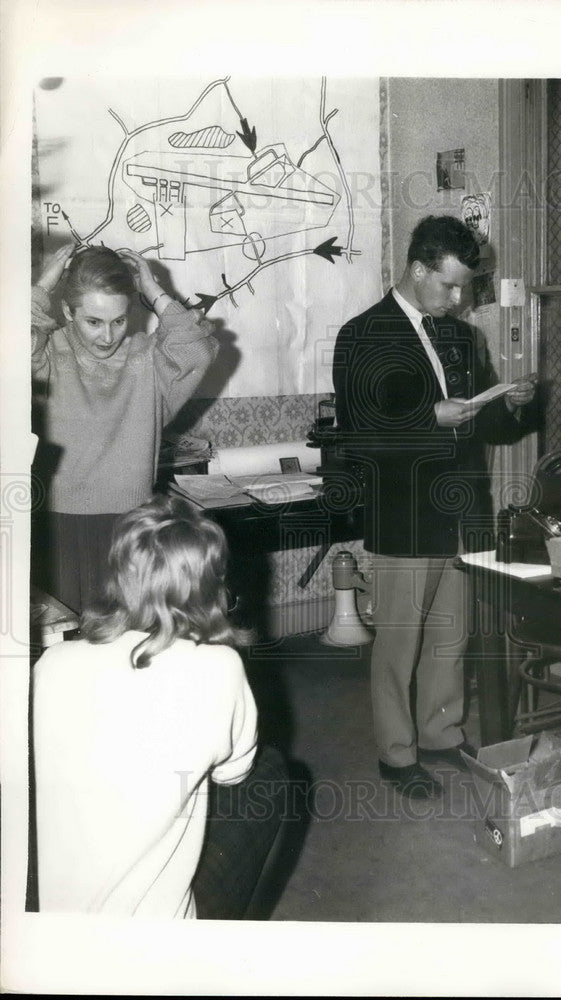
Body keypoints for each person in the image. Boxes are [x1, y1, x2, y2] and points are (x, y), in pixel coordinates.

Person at [333, 215, 538, 799]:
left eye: (464, 288)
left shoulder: (461, 337)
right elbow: (361, 435)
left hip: (463, 511)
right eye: (448, 285)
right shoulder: (362, 335)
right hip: (403, 514)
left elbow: (488, 424)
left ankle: (442, 733)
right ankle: (396, 754)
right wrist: (430, 419)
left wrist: (514, 404)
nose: (458, 298)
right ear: (417, 270)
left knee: (453, 634)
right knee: (399, 643)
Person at [32, 494, 286, 919]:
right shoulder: (219, 667)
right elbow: (234, 774)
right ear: (213, 584)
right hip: (153, 937)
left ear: (117, 574)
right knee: (274, 771)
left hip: (54, 930)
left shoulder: (52, 662)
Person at [31, 244, 218, 613]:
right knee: (67, 648)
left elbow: (197, 351)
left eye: (119, 320)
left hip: (133, 525)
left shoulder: (147, 358)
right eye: (93, 321)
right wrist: (43, 287)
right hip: (57, 528)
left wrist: (153, 289)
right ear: (68, 311)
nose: (107, 336)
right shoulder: (47, 354)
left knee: (127, 645)